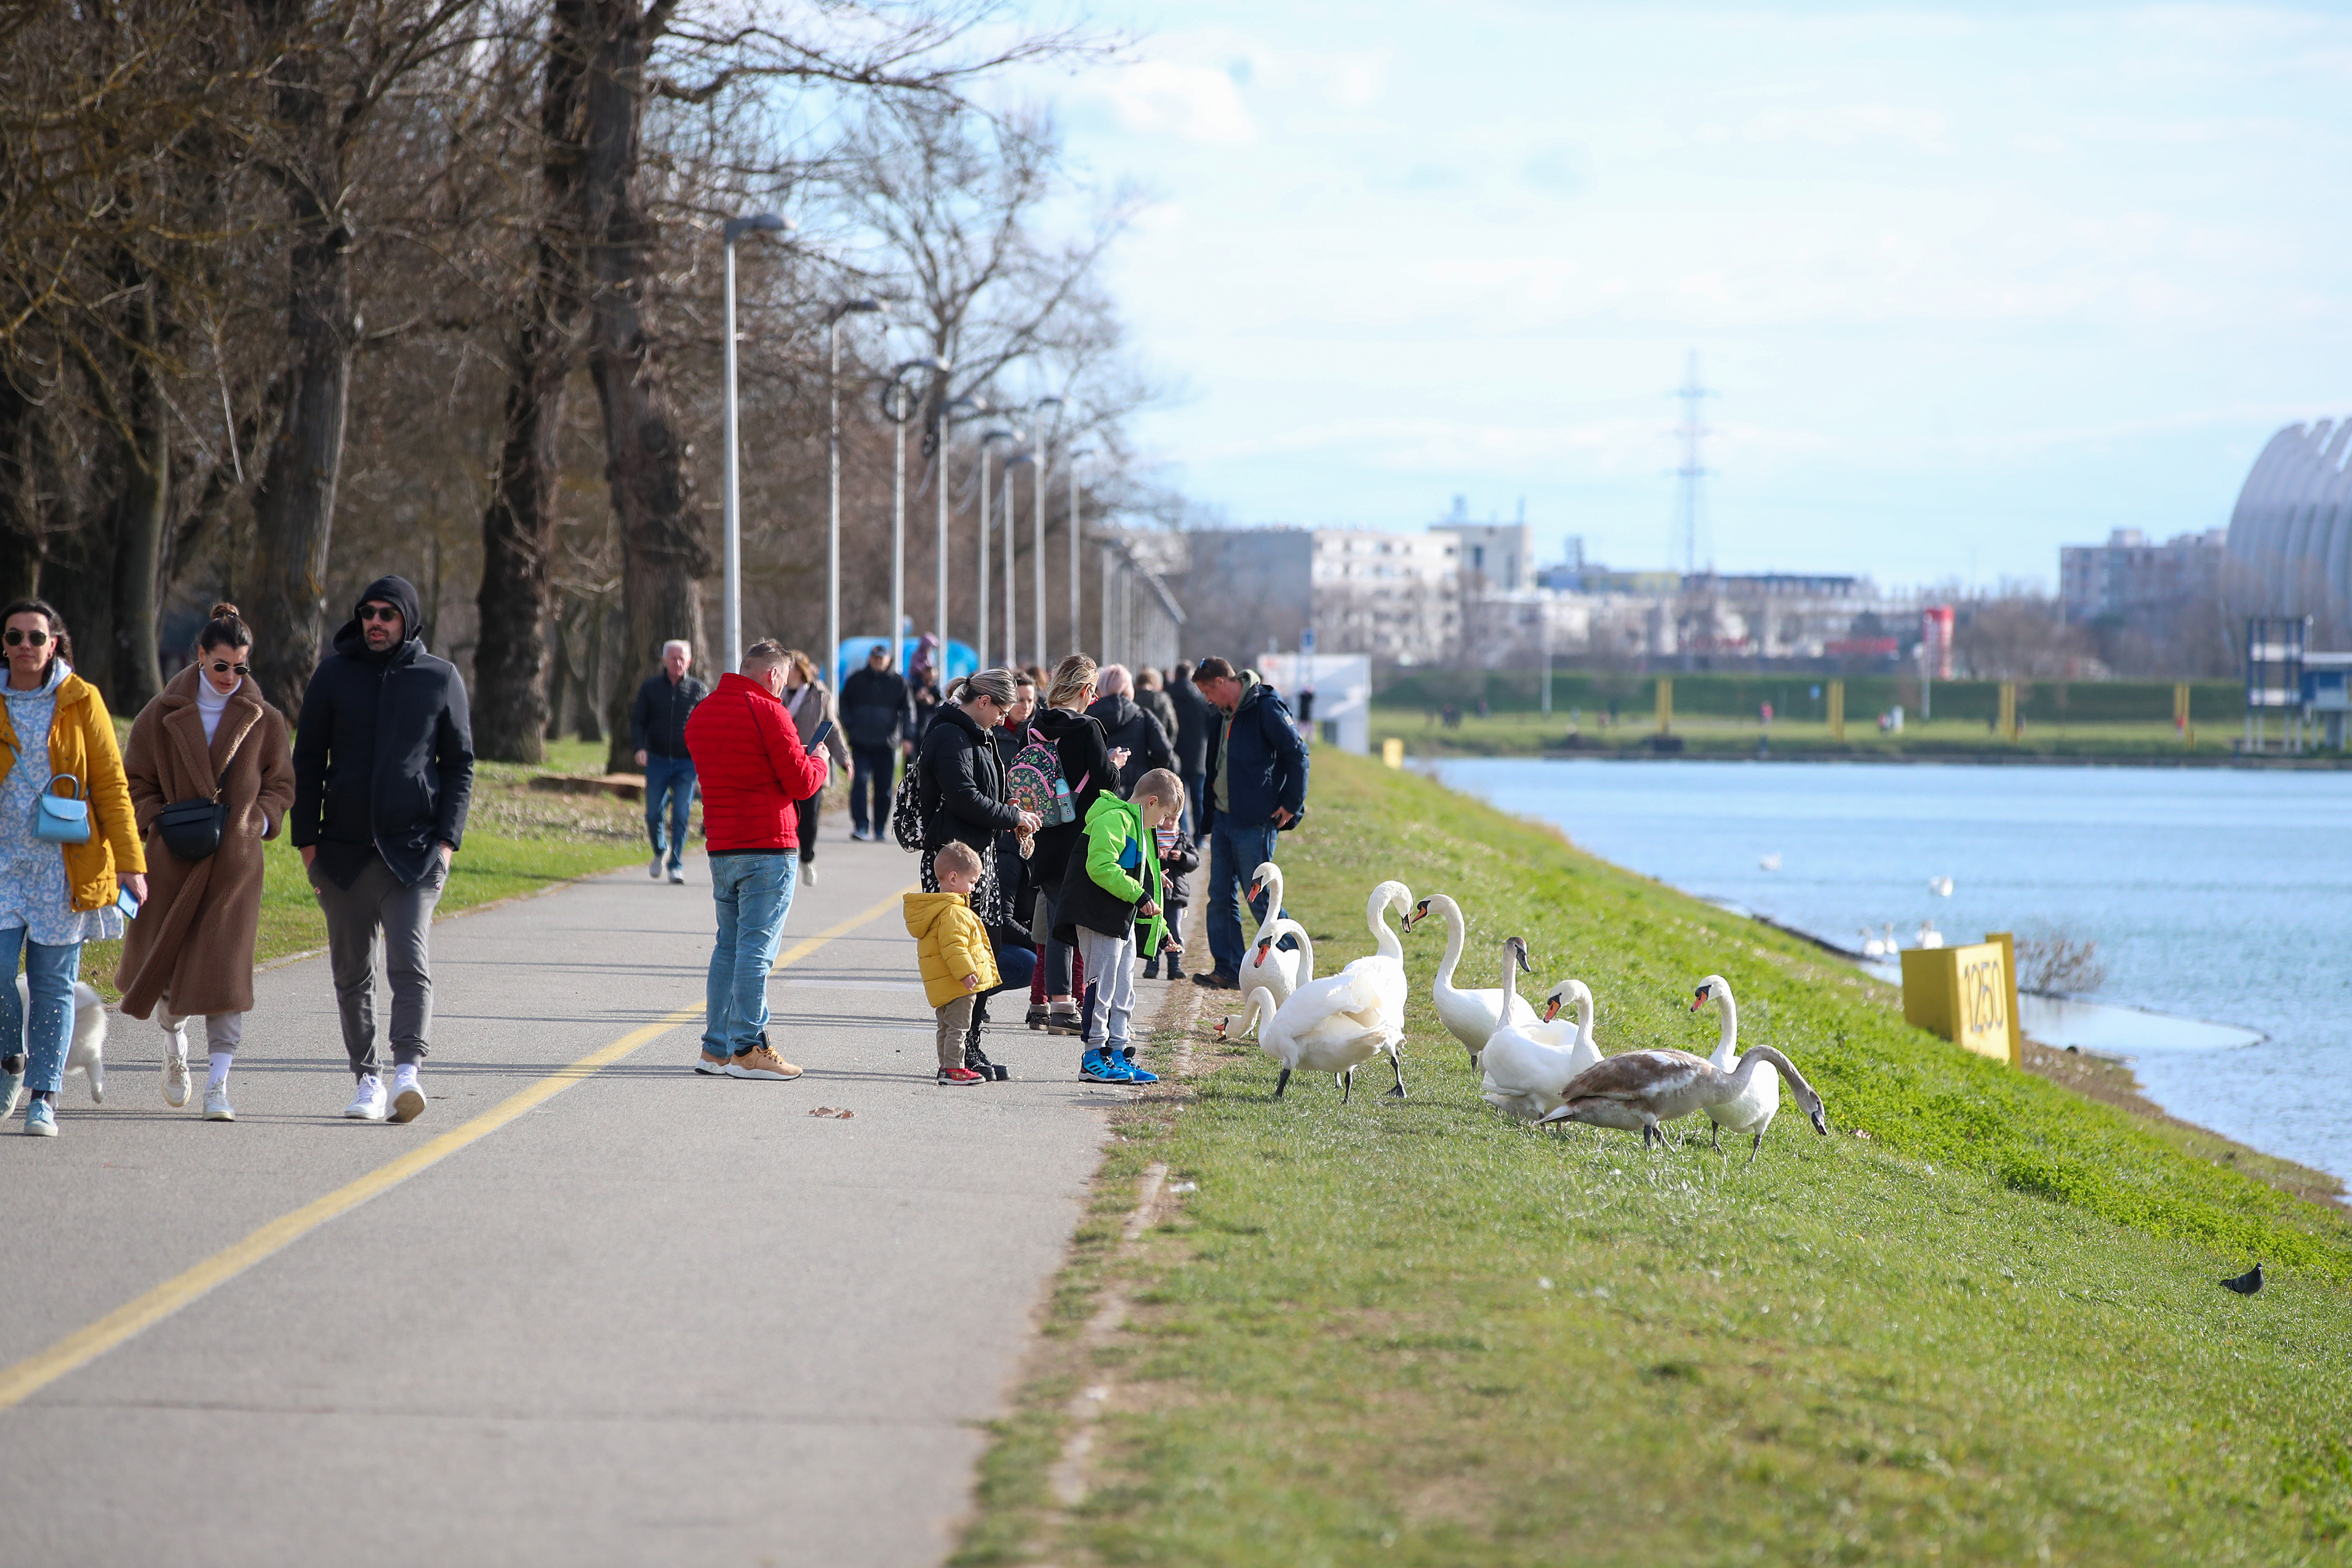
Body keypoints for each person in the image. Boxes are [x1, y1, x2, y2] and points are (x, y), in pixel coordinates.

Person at [292, 575, 475, 1124]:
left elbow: (460, 765)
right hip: (342, 856)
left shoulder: (440, 678)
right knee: (352, 972)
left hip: (414, 854)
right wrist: (308, 847)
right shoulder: (332, 675)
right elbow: (307, 763)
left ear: (408, 620)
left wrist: (446, 844)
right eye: (368, 612)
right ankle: (367, 1078)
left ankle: (406, 1074)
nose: (375, 622)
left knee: (408, 963)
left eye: (387, 614)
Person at [116, 603, 297, 1122]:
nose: (231, 677)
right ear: (200, 656)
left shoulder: (266, 719)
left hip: (233, 869)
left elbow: (282, 785)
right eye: (222, 665)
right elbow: (134, 782)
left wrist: (257, 821)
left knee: (227, 979)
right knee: (170, 983)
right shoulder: (160, 713)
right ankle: (174, 1046)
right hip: (173, 863)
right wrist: (157, 821)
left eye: (241, 667)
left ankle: (220, 1086)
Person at [0, 600, 145, 1136]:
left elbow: (110, 783)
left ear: (53, 643)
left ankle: (45, 1096)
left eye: (36, 638)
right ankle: (9, 1063)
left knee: (53, 984)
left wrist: (131, 863)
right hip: (4, 865)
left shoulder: (82, 699)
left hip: (64, 868)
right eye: (14, 637)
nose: (24, 647)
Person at [683, 638, 829, 1081]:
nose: (783, 689)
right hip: (768, 842)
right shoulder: (769, 710)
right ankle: (750, 1046)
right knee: (756, 950)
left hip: (723, 844)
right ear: (773, 675)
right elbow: (801, 782)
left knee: (727, 946)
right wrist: (819, 760)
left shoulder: (702, 713)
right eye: (783, 680)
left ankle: (717, 1048)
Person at [1054, 767, 1180, 1085]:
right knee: (1102, 987)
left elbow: (1145, 878)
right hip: (1099, 918)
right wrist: (1138, 895)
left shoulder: (1140, 828)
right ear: (1152, 802)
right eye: (1165, 816)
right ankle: (1093, 1055)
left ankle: (1118, 1051)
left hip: (1122, 920)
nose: (1164, 824)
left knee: (1124, 989)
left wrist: (1161, 927)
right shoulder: (1115, 820)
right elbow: (1100, 866)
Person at [1190, 656, 1308, 991]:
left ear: (1221, 683)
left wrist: (1291, 804)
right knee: (1219, 896)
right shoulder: (1222, 715)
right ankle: (1227, 968)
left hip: (1255, 822)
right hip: (1225, 819)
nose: (1207, 700)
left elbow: (1298, 753)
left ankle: (1298, 966)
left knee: (1261, 899)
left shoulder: (1265, 707)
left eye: (1207, 692)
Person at [1024, 655, 1122, 1036]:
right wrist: (1115, 763)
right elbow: (1106, 783)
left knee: (1053, 923)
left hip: (1045, 832)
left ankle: (1058, 1003)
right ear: (1085, 690)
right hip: (1080, 835)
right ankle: (1079, 1003)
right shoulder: (1088, 728)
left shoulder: (1035, 726)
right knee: (1079, 922)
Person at [904, 841, 1000, 1086]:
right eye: (972, 881)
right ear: (954, 878)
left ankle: (946, 1066)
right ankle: (953, 1069)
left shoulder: (937, 908)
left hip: (944, 983)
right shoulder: (953, 912)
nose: (974, 887)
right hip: (957, 983)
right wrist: (967, 973)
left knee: (946, 1028)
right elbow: (954, 947)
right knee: (958, 1028)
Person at [630, 638, 707, 884]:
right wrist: (640, 748)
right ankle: (660, 849)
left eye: (682, 658)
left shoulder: (698, 689)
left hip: (687, 762)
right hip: (658, 760)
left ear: (690, 661)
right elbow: (638, 721)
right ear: (664, 661)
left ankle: (676, 864)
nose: (678, 662)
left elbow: (708, 724)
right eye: (673, 658)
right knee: (654, 813)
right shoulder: (651, 688)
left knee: (682, 814)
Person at [779, 649, 848, 887]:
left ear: (800, 671)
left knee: (809, 817)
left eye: (790, 668)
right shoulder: (776, 692)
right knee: (786, 818)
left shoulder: (819, 694)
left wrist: (844, 759)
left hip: (811, 765)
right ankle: (785, 863)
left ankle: (807, 858)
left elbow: (832, 728)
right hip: (782, 763)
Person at [840, 642, 911, 842]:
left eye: (881, 659)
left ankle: (879, 827)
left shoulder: (899, 683)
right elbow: (843, 703)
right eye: (874, 658)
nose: (878, 662)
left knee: (884, 788)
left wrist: (908, 737)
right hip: (860, 743)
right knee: (860, 783)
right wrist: (850, 725)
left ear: (889, 660)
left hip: (886, 745)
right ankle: (861, 826)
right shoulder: (856, 680)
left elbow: (908, 711)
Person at [1087, 664, 1177, 796]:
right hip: (1139, 791)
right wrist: (1149, 769)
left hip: (1100, 792)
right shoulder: (1143, 716)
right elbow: (1164, 751)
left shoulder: (1090, 717)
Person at [1141, 811, 1198, 982]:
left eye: (1175, 819)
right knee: (1154, 928)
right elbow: (1145, 856)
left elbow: (1195, 861)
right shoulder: (1152, 834)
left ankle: (1175, 966)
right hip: (1155, 892)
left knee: (1174, 929)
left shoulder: (1182, 837)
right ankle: (1152, 964)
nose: (1170, 823)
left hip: (1176, 893)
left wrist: (1182, 857)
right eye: (1167, 819)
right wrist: (1157, 855)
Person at [1167, 658, 1215, 837]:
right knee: (1199, 799)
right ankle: (1200, 837)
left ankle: (1182, 834)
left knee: (1178, 800)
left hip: (1175, 753)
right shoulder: (1200, 697)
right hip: (1198, 755)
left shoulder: (1168, 694)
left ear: (1177, 674)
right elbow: (1209, 726)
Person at [1135, 666, 1180, 749]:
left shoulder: (1132, 699)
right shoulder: (1163, 699)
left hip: (1136, 750)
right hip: (1158, 748)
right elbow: (1173, 728)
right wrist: (1167, 748)